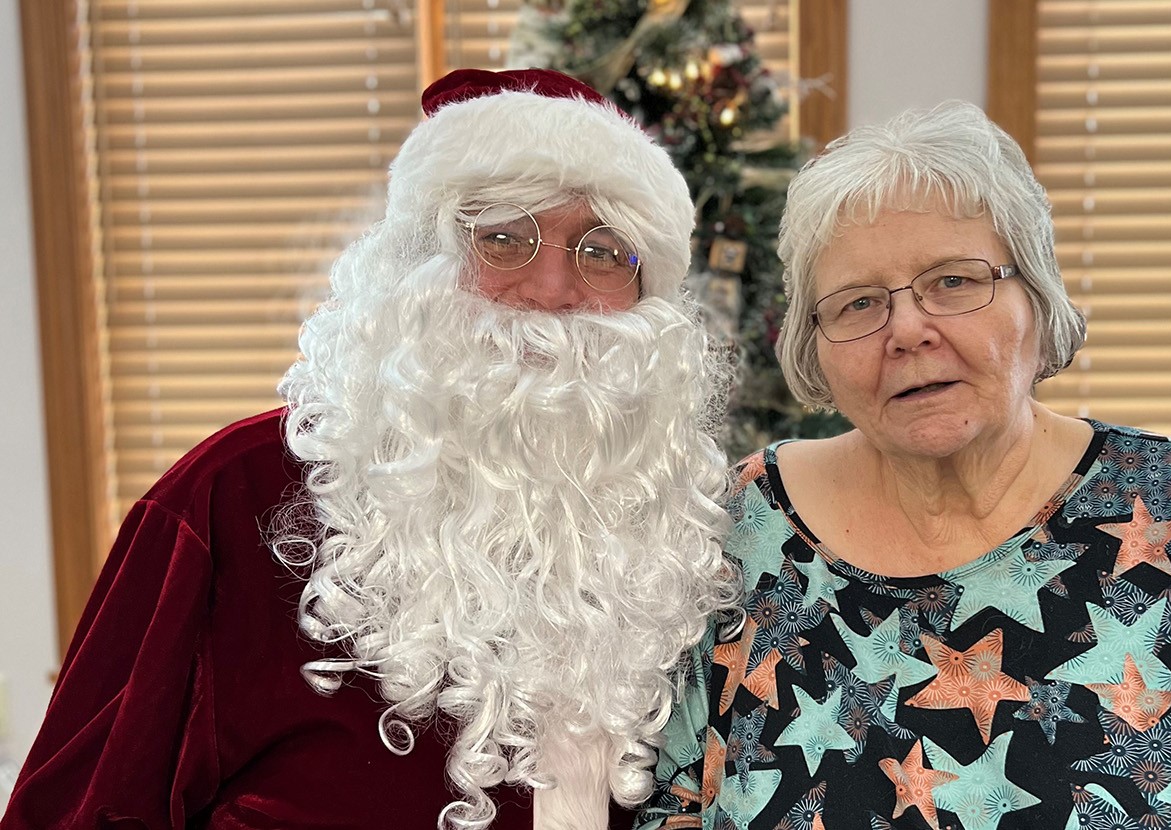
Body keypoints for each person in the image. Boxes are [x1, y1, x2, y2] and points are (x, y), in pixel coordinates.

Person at [2, 68, 739, 830]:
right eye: (503, 237)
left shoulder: (675, 536)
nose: (552, 289)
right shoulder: (229, 498)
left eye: (602, 251)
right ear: (416, 261)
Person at [636, 101, 1171, 830]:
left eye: (954, 281)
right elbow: (666, 805)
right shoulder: (736, 527)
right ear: (815, 348)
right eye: (859, 303)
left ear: (1035, 295)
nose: (906, 330)